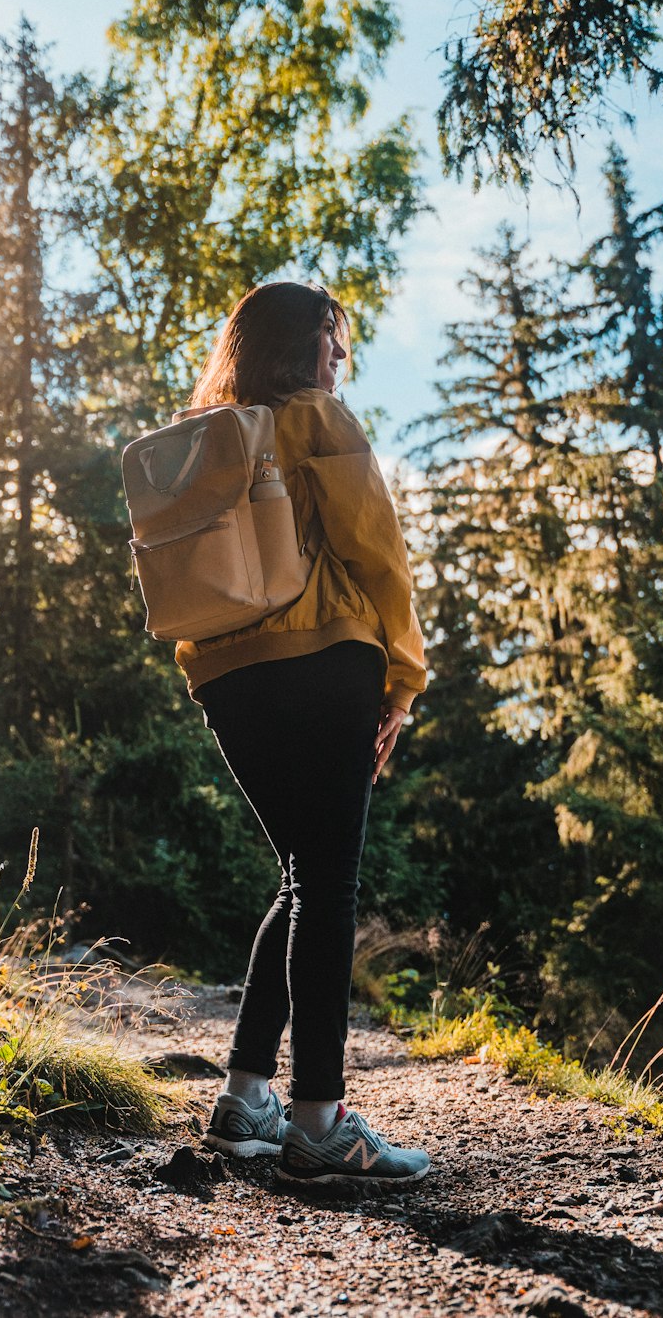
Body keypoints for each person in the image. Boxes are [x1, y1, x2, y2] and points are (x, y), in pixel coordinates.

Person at [177, 280, 430, 1187]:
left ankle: (247, 1100)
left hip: (227, 681)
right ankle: (320, 1120)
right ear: (299, 345)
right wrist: (404, 674)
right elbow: (376, 548)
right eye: (331, 338)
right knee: (328, 882)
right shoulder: (316, 420)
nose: (339, 358)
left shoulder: (209, 443)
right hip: (328, 662)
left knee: (301, 874)